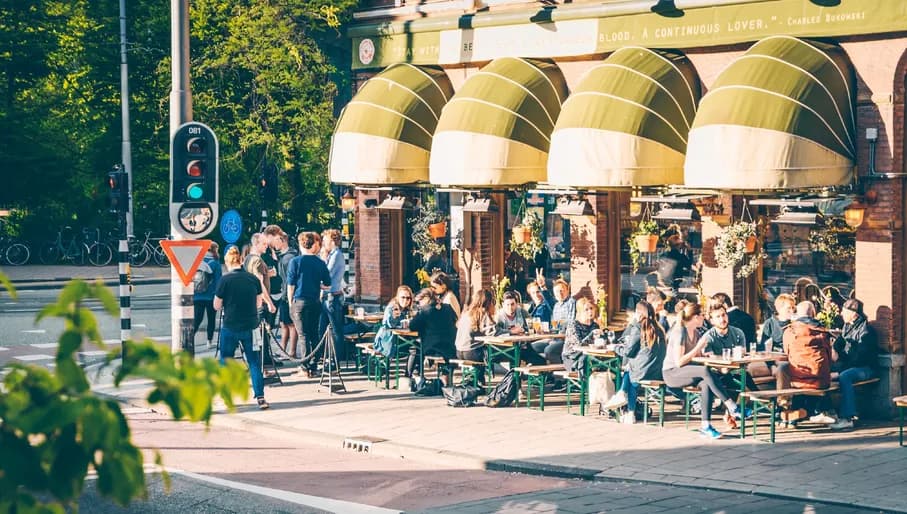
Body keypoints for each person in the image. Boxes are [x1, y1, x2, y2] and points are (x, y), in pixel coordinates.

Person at [661, 302, 750, 440]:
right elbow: (679, 362)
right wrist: (698, 348)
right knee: (704, 371)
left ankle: (706, 426)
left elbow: (695, 357)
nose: (704, 318)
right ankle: (731, 406)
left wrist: (704, 355)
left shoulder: (695, 332)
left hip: (688, 371)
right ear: (695, 317)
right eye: (702, 315)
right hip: (672, 373)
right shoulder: (680, 331)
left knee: (706, 383)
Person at [213, 246, 268, 410]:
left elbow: (216, 305)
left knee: (226, 361)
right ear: (241, 261)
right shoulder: (252, 279)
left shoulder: (225, 280)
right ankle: (260, 397)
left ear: (227, 262)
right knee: (253, 362)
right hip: (251, 326)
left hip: (230, 326)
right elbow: (259, 302)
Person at [602, 301, 667, 423]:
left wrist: (614, 347)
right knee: (631, 369)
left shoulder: (639, 328)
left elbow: (628, 351)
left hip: (641, 373)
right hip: (658, 372)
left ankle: (626, 404)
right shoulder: (660, 329)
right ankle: (623, 397)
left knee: (629, 370)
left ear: (638, 313)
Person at [776, 301, 833, 425]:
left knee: (782, 368)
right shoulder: (823, 332)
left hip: (798, 381)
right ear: (813, 314)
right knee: (787, 369)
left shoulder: (790, 332)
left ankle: (784, 407)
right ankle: (799, 412)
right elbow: (830, 357)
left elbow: (787, 352)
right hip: (820, 381)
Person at [286, 232, 331, 376]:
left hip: (299, 301)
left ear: (301, 244)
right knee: (313, 333)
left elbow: (291, 285)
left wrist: (290, 302)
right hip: (315, 301)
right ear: (314, 245)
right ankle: (313, 365)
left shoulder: (295, 262)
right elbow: (328, 284)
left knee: (302, 335)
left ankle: (304, 367)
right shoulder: (320, 263)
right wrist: (319, 286)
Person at [829, 298, 878, 430]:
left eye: (845, 311)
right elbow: (840, 342)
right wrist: (833, 348)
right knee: (822, 372)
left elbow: (860, 359)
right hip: (849, 366)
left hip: (866, 368)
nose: (841, 314)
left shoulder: (865, 331)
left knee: (845, 376)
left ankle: (847, 418)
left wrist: (838, 373)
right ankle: (826, 411)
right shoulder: (847, 326)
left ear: (855, 314)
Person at [700, 300, 759, 393]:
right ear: (711, 321)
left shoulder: (738, 333)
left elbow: (742, 355)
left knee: (746, 380)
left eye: (724, 315)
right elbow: (710, 361)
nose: (722, 319)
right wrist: (723, 368)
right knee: (733, 381)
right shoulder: (708, 337)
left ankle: (763, 402)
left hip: (736, 370)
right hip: (717, 374)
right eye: (718, 317)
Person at [407, 288, 457, 384]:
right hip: (451, 347)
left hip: (433, 348)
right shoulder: (447, 307)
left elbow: (412, 326)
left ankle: (415, 376)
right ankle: (445, 374)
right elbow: (454, 319)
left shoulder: (425, 311)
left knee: (415, 347)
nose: (419, 305)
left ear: (426, 298)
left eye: (419, 302)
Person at [454, 289, 496, 385]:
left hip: (459, 351)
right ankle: (480, 381)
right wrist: (510, 331)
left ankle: (477, 381)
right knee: (490, 352)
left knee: (481, 348)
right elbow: (492, 331)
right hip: (471, 352)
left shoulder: (467, 313)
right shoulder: (482, 312)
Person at [320, 229, 347, 362]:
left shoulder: (337, 255)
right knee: (322, 328)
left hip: (332, 296)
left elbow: (327, 274)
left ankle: (337, 358)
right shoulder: (331, 254)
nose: (323, 243)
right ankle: (325, 356)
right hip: (327, 296)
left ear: (332, 240)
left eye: (325, 240)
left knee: (335, 328)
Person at [273, 231, 299, 358]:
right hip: (284, 292)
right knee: (284, 323)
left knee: (291, 324)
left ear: (282, 240)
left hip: (288, 294)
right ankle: (282, 348)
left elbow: (291, 279)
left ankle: (292, 351)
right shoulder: (283, 256)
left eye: (275, 241)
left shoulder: (289, 258)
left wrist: (290, 295)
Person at [192, 241, 222, 349]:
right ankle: (209, 341)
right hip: (211, 296)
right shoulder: (215, 263)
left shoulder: (197, 261)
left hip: (197, 295)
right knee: (211, 319)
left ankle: (190, 338)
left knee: (197, 319)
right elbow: (219, 281)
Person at [561, 297, 602, 374]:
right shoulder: (573, 325)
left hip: (590, 356)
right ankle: (584, 385)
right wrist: (591, 334)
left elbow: (598, 343)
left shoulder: (595, 325)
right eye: (586, 310)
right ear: (580, 312)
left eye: (591, 308)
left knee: (607, 362)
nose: (590, 311)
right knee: (587, 362)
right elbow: (578, 346)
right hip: (572, 357)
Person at [374, 285, 415, 356]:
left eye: (408, 298)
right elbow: (390, 325)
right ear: (397, 297)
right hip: (387, 340)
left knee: (418, 347)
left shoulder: (407, 310)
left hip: (401, 339)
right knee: (414, 348)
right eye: (403, 297)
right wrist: (394, 317)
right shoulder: (392, 308)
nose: (405, 300)